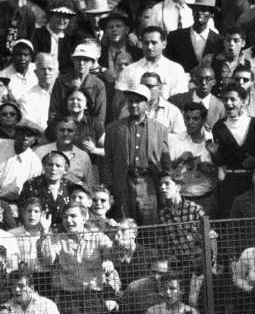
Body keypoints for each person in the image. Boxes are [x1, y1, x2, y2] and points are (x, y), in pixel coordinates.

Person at [38, 202, 122, 314]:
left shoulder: (98, 237)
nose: (69, 220)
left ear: (84, 218)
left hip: (94, 299)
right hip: (68, 300)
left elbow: (113, 256)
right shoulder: (56, 238)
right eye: (66, 217)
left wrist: (116, 241)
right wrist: (45, 231)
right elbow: (47, 261)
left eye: (73, 216)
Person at [101, 83, 171, 223]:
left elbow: (165, 161)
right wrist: (109, 186)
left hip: (148, 183)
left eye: (138, 101)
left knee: (149, 225)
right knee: (124, 225)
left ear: (147, 104)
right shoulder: (113, 129)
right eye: (130, 101)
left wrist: (167, 184)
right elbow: (107, 160)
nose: (133, 105)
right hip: (123, 183)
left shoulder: (160, 129)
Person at [209, 81, 255, 219]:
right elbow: (220, 162)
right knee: (231, 220)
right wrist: (214, 154)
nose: (228, 103)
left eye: (233, 99)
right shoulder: (218, 127)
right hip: (230, 183)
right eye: (225, 99)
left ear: (243, 101)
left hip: (253, 182)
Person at [169, 102, 219, 218]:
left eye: (195, 118)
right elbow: (167, 170)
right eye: (187, 118)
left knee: (208, 233)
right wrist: (179, 159)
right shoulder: (175, 140)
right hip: (183, 198)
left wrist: (211, 167)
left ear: (203, 120)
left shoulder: (212, 140)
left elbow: (221, 172)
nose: (190, 122)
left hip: (206, 197)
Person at [0, 119, 46, 200]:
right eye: (22, 133)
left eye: (29, 135)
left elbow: (31, 190)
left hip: (11, 202)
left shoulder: (35, 163)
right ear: (15, 134)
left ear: (34, 140)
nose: (25, 138)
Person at [154, 168, 207, 276]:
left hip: (198, 264)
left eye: (167, 184)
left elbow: (210, 236)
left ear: (178, 187)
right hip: (176, 266)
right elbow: (162, 243)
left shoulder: (194, 209)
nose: (163, 188)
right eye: (161, 184)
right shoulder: (163, 215)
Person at [117, 25, 190, 97]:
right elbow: (120, 100)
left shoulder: (175, 70)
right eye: (146, 43)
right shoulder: (129, 70)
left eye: (154, 43)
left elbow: (179, 100)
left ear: (164, 44)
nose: (149, 47)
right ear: (141, 44)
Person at [164, 0, 223, 73]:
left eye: (204, 9)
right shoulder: (175, 37)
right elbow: (168, 67)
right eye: (196, 9)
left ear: (211, 15)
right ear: (192, 11)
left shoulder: (219, 41)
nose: (199, 12)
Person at [49, 40, 107, 124]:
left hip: (89, 132)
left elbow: (99, 117)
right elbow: (53, 112)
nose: (81, 63)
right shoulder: (61, 81)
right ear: (73, 60)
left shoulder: (98, 85)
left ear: (92, 63)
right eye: (78, 59)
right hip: (63, 129)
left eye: (86, 60)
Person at [19, 148, 76, 226]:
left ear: (65, 170)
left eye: (58, 166)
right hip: (37, 229)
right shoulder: (31, 184)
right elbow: (23, 210)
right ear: (44, 167)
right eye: (50, 165)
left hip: (64, 230)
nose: (53, 169)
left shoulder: (70, 187)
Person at [36, 116, 96, 185]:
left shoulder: (83, 157)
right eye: (62, 130)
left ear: (76, 134)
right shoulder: (41, 152)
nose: (65, 134)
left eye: (70, 131)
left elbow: (89, 185)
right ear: (56, 132)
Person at [168, 66, 226, 131]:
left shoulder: (221, 107)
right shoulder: (177, 101)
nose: (204, 82)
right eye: (200, 79)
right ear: (194, 80)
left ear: (214, 82)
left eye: (208, 79)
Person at [35, 5, 81, 73]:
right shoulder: (37, 34)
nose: (61, 20)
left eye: (65, 17)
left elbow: (69, 64)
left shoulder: (70, 40)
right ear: (50, 17)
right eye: (58, 16)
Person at [20, 53, 59, 127]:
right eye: (43, 69)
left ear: (57, 73)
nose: (46, 72)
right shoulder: (28, 98)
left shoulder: (64, 96)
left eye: (50, 69)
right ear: (36, 72)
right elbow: (29, 125)